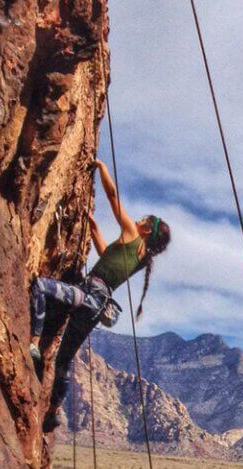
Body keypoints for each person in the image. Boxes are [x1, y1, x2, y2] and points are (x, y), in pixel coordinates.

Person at [30, 159, 171, 433]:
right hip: (96, 306)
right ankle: (54, 410)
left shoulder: (133, 234)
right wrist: (93, 227)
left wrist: (101, 167)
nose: (139, 219)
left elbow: (113, 196)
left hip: (87, 294)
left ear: (146, 230)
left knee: (40, 287)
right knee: (64, 358)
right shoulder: (141, 257)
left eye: (145, 220)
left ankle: (33, 343)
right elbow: (107, 254)